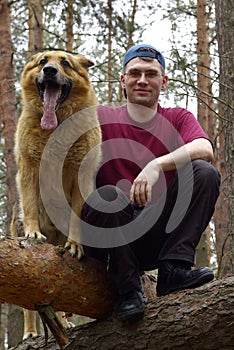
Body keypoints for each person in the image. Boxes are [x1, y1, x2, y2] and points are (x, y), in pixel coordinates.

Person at [81, 44, 221, 321]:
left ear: (164, 81)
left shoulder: (177, 117)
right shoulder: (101, 117)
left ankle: (173, 270)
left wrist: (156, 164)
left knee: (204, 172)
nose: (142, 80)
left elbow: (205, 148)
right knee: (108, 195)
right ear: (123, 80)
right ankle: (128, 289)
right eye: (134, 73)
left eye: (151, 74)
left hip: (152, 237)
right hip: (106, 236)